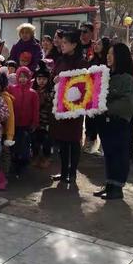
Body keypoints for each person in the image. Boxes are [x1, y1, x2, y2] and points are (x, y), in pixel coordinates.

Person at [94, 44, 133, 200]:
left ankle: (117, 187)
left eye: (112, 54)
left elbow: (128, 103)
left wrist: (106, 107)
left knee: (119, 154)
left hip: (118, 123)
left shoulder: (127, 79)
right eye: (108, 53)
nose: (108, 56)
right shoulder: (106, 76)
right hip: (105, 123)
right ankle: (109, 184)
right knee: (109, 154)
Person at [50, 30, 89, 183]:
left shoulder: (81, 62)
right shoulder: (61, 60)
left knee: (73, 140)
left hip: (75, 106)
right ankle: (64, 170)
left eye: (65, 42)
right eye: (62, 42)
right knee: (62, 140)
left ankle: (72, 173)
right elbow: (54, 75)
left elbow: (83, 83)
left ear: (74, 44)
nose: (62, 45)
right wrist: (55, 80)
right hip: (61, 105)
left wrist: (65, 81)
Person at [8, 66, 39, 177]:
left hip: (26, 125)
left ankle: (22, 165)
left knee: (24, 146)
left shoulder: (33, 93)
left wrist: (35, 122)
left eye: (25, 77)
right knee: (13, 146)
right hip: (13, 124)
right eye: (20, 76)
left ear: (29, 78)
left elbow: (35, 109)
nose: (22, 79)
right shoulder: (11, 89)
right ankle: (14, 164)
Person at [83, 36, 111, 155]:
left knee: (103, 121)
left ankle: (104, 146)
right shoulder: (91, 60)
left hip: (104, 95)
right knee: (90, 119)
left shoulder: (108, 61)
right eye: (95, 44)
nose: (95, 46)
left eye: (99, 44)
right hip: (91, 94)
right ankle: (89, 142)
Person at [31, 61, 54, 169]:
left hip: (46, 122)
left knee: (46, 141)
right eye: (39, 79)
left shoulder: (51, 92)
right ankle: (35, 157)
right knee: (35, 140)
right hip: (35, 121)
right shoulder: (33, 91)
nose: (41, 81)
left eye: (44, 79)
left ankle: (46, 158)